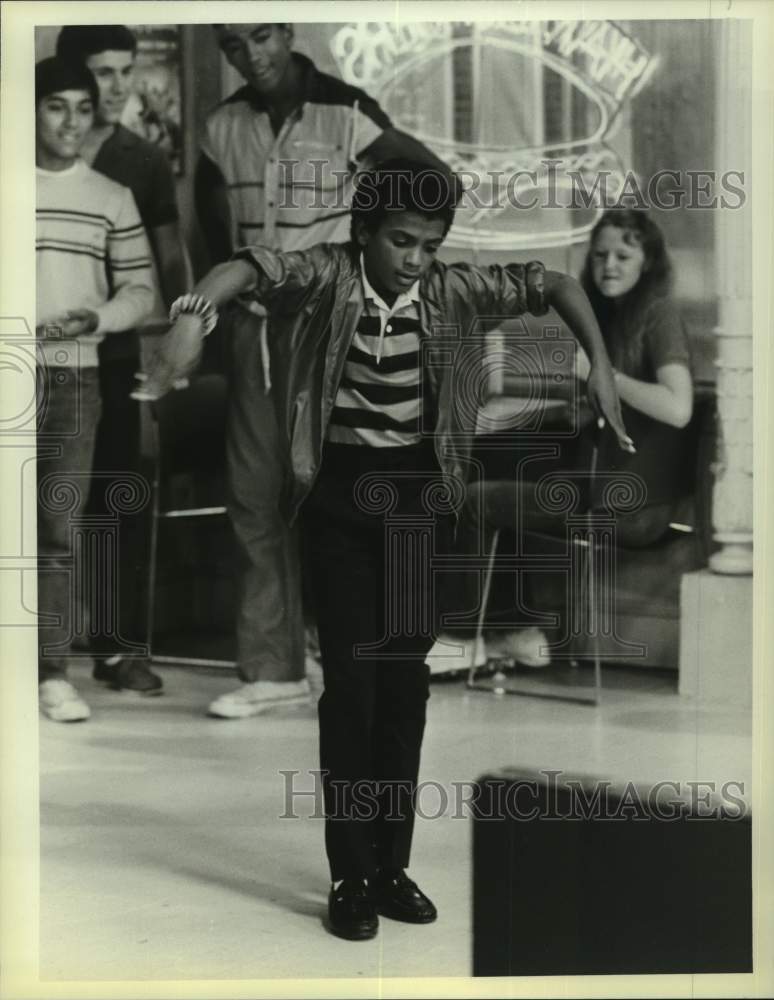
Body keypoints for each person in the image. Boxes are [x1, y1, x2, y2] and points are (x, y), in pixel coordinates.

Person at [136, 159, 630, 940]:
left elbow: (556, 284)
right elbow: (247, 266)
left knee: (405, 688)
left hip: (420, 503)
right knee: (353, 691)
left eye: (430, 245)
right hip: (338, 503)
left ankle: (391, 865)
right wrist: (193, 316)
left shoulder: (453, 290)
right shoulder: (325, 277)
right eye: (401, 241)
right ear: (363, 231)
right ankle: (349, 874)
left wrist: (600, 361)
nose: (416, 259)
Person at [195, 23, 437, 720]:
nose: (252, 55)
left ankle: (361, 654)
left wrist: (373, 269)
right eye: (234, 45)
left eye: (263, 37)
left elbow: (430, 187)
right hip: (252, 325)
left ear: (288, 31)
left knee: (337, 487)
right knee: (253, 494)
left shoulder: (350, 113)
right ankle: (273, 668)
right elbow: (211, 231)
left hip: (333, 327)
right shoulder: (220, 126)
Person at [458, 208, 693, 661]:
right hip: (614, 486)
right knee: (494, 467)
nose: (609, 265)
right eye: (601, 254)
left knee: (476, 500)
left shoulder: (658, 314)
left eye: (623, 256)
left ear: (648, 263)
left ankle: (494, 635)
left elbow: (679, 408)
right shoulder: (619, 317)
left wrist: (603, 375)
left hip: (636, 504)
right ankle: (517, 634)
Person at [55, 25, 190, 695]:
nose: (114, 87)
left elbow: (169, 261)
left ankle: (115, 648)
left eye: (124, 70)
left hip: (112, 350)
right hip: (36, 349)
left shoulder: (143, 158)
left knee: (115, 497)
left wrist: (181, 338)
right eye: (100, 72)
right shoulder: (34, 147)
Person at [35, 56, 154, 722]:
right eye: (57, 106)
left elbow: (142, 290)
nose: (73, 121)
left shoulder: (111, 196)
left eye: (83, 107)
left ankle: (51, 674)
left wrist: (97, 319)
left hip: (76, 374)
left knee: (58, 530)